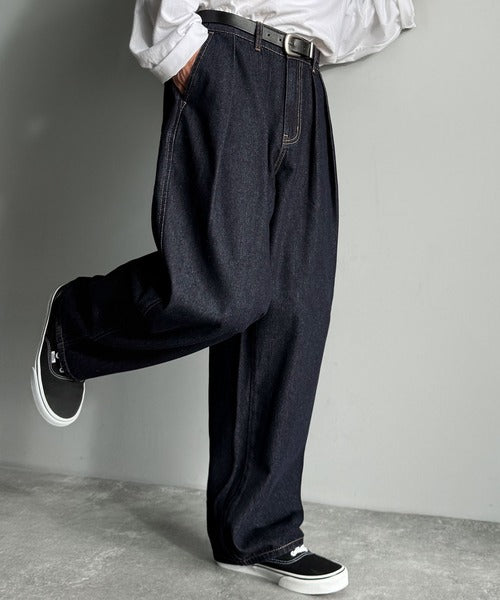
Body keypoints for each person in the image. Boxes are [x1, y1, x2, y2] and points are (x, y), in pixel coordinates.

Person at [30, 1, 415, 595]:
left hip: (304, 79)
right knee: (222, 290)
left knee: (294, 310)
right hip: (229, 58)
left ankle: (256, 534)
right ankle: (76, 326)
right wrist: (188, 54)